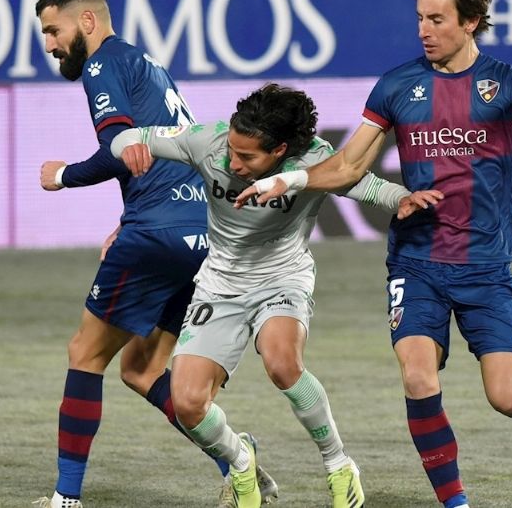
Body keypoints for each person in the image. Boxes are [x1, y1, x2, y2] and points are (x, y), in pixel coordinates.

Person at [234, 0, 512, 507]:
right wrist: (289, 179)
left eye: (437, 19)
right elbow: (350, 165)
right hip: (416, 260)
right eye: (420, 19)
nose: (424, 30)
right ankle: (456, 502)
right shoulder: (398, 85)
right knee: (418, 377)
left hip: (486, 267)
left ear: (469, 22)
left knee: (506, 398)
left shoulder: (506, 82)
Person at [112, 83, 442, 508]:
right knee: (188, 402)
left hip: (282, 278)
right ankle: (240, 458)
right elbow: (130, 136)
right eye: (232, 150)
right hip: (220, 284)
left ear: (281, 151)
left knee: (283, 363)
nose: (233, 162)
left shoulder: (315, 159)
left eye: (247, 157)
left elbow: (365, 184)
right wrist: (129, 147)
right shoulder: (206, 140)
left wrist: (402, 198)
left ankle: (339, 464)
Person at [32, 0, 277, 507]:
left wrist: (63, 175)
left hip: (158, 233)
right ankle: (237, 457)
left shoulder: (101, 65)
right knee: (141, 370)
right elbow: (169, 152)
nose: (49, 44)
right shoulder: (149, 66)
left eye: (54, 30)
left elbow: (121, 147)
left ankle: (66, 499)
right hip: (202, 233)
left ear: (87, 21)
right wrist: (132, 214)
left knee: (84, 354)